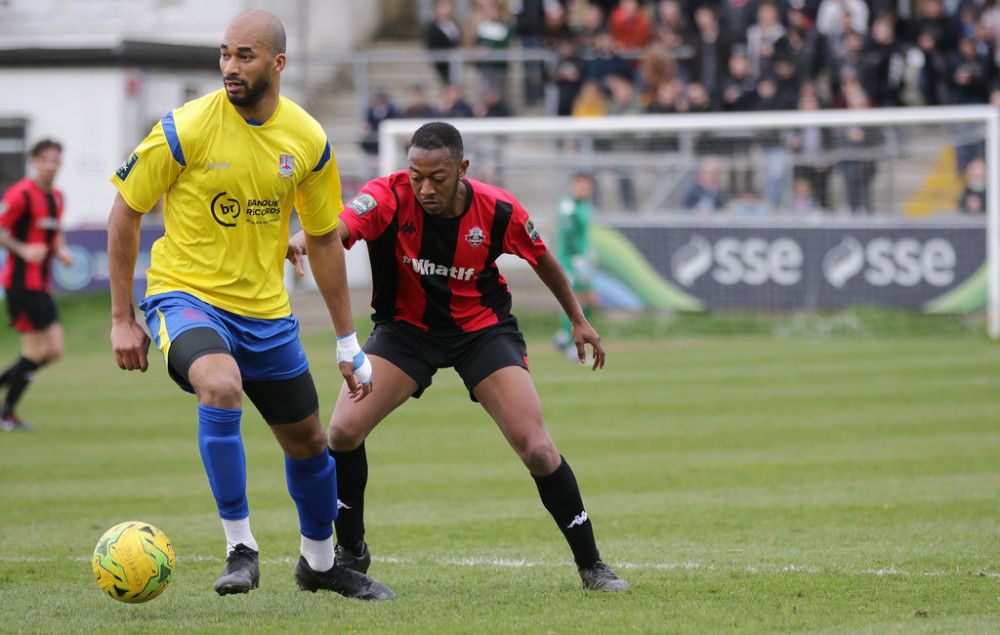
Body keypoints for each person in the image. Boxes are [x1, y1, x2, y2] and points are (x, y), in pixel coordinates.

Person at [106, 10, 394, 601]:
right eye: (225, 54)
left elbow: (321, 237)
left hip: (266, 314)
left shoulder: (309, 140)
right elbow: (126, 209)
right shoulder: (185, 128)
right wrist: (120, 318)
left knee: (310, 442)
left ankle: (318, 562)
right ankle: (241, 547)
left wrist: (347, 341)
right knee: (221, 384)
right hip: (187, 298)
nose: (229, 68)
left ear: (278, 63)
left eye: (245, 56)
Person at [287, 121, 630, 593]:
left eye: (438, 177)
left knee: (536, 446)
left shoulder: (499, 209)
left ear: (462, 169)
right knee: (342, 432)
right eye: (416, 175)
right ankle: (352, 550)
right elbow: (341, 226)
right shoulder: (387, 196)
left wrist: (578, 318)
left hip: (481, 331)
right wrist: (308, 239)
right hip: (405, 332)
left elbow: (543, 259)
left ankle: (592, 565)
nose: (425, 188)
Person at [0, 139, 73, 432]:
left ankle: (7, 409)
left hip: (41, 285)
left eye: (55, 160)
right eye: (45, 160)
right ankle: (7, 415)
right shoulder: (20, 195)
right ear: (33, 162)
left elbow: (55, 235)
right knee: (35, 352)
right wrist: (23, 249)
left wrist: (61, 250)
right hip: (20, 283)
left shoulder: (57, 197)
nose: (50, 166)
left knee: (52, 352)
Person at [553, 172, 599, 360]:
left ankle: (563, 336)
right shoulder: (568, 207)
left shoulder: (585, 204)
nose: (584, 190)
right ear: (572, 186)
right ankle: (572, 345)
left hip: (581, 259)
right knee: (578, 300)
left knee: (589, 299)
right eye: (580, 186)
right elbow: (568, 237)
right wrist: (578, 260)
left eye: (587, 187)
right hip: (571, 260)